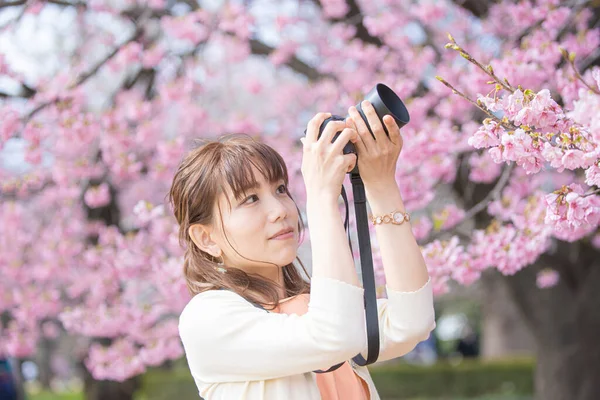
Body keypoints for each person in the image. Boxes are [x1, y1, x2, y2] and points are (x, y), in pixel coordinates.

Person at [169, 101, 436, 400]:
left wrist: (381, 184)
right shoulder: (207, 318)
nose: (280, 211)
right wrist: (322, 198)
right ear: (205, 238)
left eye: (281, 189)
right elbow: (333, 337)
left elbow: (411, 322)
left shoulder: (315, 308)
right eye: (251, 199)